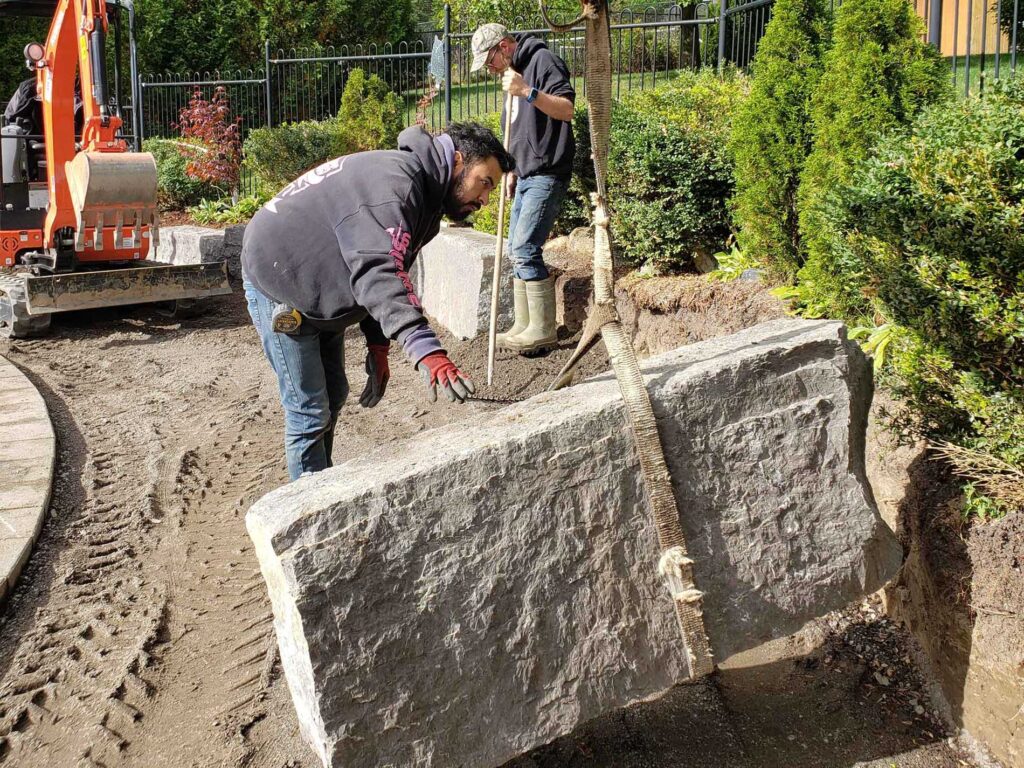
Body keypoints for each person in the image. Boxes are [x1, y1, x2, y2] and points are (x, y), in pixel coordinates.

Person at [241, 122, 515, 480]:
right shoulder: (397, 187)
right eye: (485, 182)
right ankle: (307, 514)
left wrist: (378, 345)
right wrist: (427, 352)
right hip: (278, 281)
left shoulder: (426, 198)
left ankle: (318, 485)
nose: (484, 199)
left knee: (335, 393)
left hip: (317, 282)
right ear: (459, 161)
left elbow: (390, 269)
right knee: (308, 411)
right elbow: (378, 271)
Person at [470, 22, 576, 354]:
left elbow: (567, 109)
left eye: (489, 61)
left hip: (548, 172)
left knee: (526, 249)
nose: (489, 69)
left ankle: (542, 330)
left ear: (503, 46)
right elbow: (515, 129)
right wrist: (511, 169)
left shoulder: (542, 62)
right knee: (516, 252)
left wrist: (527, 91)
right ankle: (524, 326)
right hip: (526, 174)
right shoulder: (512, 75)